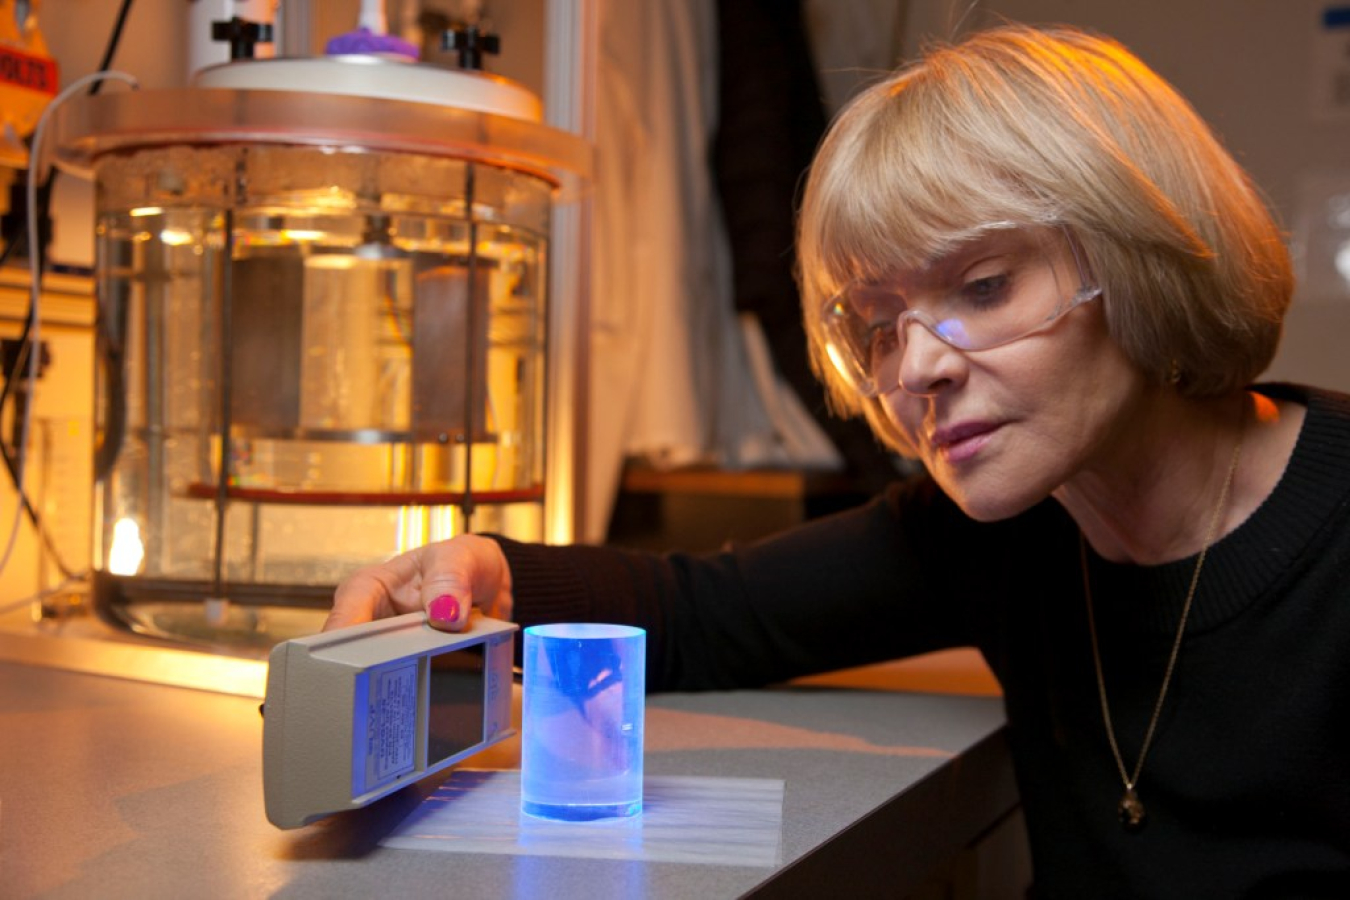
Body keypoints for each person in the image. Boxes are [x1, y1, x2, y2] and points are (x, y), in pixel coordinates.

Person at [325, 23, 1350, 897]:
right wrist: (491, 572)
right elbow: (706, 614)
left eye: (985, 286)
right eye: (879, 327)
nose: (917, 369)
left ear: (1136, 254)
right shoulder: (991, 536)